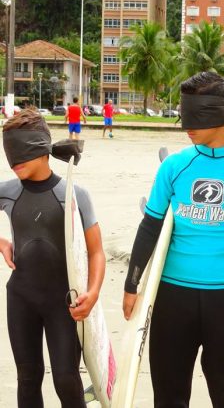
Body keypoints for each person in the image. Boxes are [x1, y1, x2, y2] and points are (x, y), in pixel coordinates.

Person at [122, 72, 224, 408]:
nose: (186, 126)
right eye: (184, 115)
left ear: (222, 114)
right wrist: (132, 286)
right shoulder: (175, 166)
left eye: (196, 117)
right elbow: (150, 227)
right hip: (171, 299)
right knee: (168, 397)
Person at [0, 109, 105, 407]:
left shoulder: (73, 193)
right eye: (10, 155)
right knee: (28, 377)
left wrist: (93, 293)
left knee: (66, 378)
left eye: (22, 155)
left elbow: (96, 252)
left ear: (43, 149)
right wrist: (1, 242)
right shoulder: (7, 191)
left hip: (64, 302)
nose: (14, 163)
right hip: (21, 298)